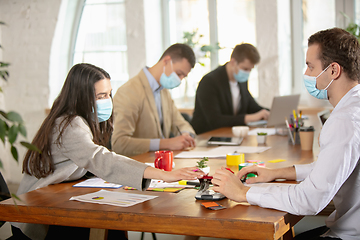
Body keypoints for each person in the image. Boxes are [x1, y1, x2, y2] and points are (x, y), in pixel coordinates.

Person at [9, 63, 203, 240]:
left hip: (60, 197)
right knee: (109, 226)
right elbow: (102, 159)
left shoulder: (82, 119)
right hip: (37, 215)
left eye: (109, 94)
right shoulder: (69, 124)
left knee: (110, 222)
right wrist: (163, 175)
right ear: (81, 96)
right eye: (101, 96)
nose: (108, 101)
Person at [212, 28, 360, 240]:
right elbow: (330, 167)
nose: (307, 74)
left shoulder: (344, 120)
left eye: (310, 67)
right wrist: (276, 172)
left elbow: (310, 199)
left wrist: (243, 193)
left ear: (334, 70)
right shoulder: (354, 107)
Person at [112, 43, 196, 157]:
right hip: (139, 166)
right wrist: (167, 143)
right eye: (179, 73)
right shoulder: (129, 91)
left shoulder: (164, 91)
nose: (180, 80)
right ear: (166, 61)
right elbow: (119, 144)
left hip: (163, 164)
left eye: (183, 76)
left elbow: (180, 122)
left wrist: (186, 135)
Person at [191, 43, 270, 134]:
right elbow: (215, 120)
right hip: (207, 137)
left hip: (230, 135)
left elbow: (251, 106)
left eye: (250, 69)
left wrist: (268, 113)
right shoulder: (209, 82)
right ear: (233, 62)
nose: (247, 73)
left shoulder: (241, 81)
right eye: (245, 69)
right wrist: (250, 118)